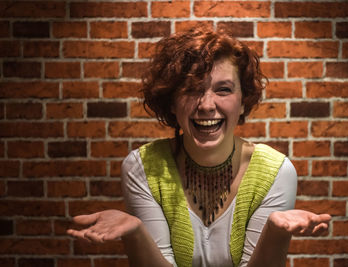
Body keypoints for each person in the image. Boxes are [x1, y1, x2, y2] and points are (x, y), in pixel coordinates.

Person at [67, 28, 331, 267]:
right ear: (171, 102)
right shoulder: (143, 167)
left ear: (242, 102)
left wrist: (275, 233)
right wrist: (136, 233)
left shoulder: (275, 171)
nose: (206, 105)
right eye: (192, 89)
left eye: (223, 90)